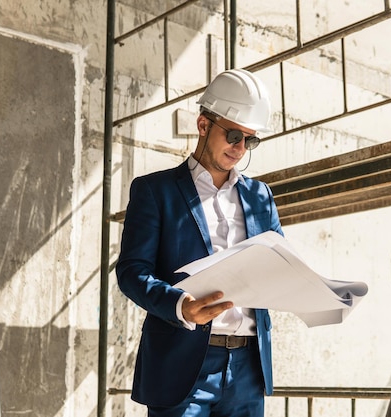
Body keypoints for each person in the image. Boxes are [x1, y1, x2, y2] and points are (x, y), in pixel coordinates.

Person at [116, 68, 283, 417]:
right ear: (204, 125)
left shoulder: (260, 197)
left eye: (249, 141)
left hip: (248, 368)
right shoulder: (154, 191)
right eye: (234, 135)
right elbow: (132, 272)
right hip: (182, 365)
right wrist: (180, 306)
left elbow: (279, 266)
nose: (240, 149)